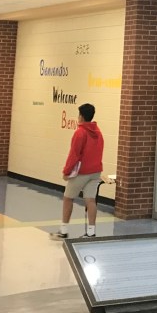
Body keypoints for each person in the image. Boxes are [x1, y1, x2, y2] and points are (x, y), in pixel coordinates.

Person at [52, 103, 105, 240]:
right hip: (96, 172)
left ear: (81, 116)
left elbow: (74, 154)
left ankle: (63, 231)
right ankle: (91, 233)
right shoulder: (98, 132)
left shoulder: (80, 133)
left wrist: (66, 171)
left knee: (68, 198)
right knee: (90, 200)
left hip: (82, 172)